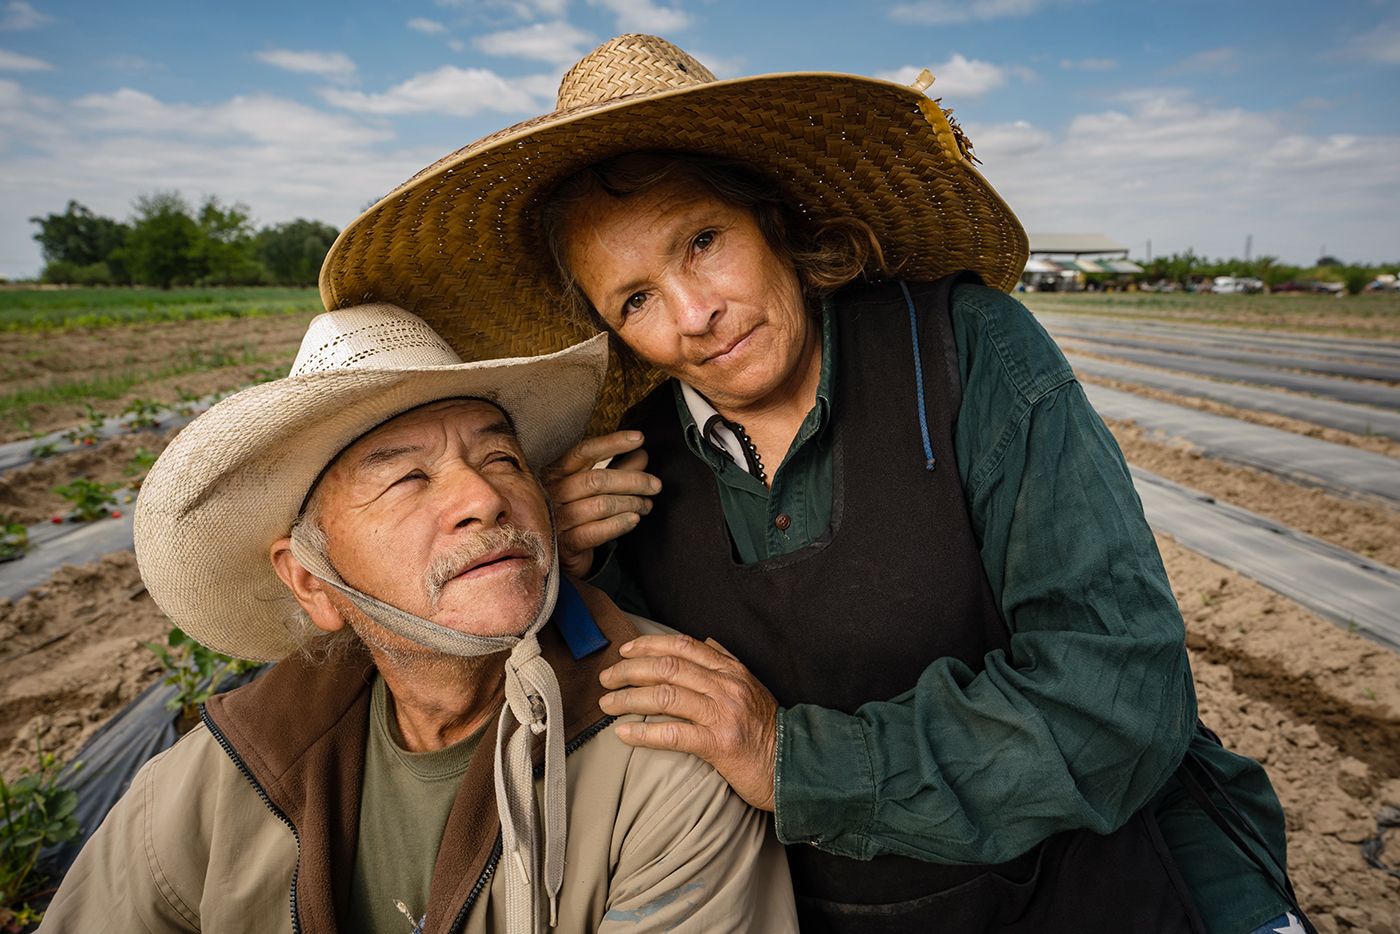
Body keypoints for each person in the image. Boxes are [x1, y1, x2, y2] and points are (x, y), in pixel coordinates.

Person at [317, 35, 1307, 934]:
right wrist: (558, 566)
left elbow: (1117, 699)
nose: (695, 314)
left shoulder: (965, 355)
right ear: (612, 333)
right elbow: (580, 699)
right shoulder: (630, 472)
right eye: (635, 299)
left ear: (773, 215)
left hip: (1098, 886)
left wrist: (793, 760)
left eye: (700, 242)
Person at [38, 304, 796, 934]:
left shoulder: (660, 733)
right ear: (312, 582)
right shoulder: (232, 767)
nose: (483, 498)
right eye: (406, 477)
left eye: (501, 460)